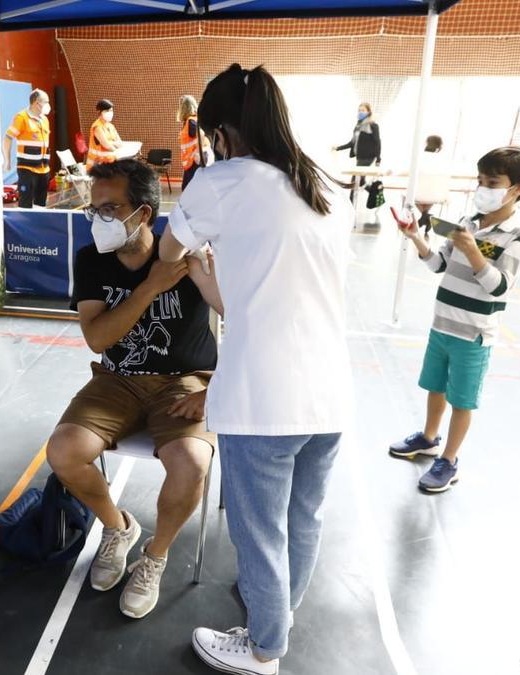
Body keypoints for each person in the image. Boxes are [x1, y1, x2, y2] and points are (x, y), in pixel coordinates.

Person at [159, 64, 352, 675]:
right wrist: (211, 269)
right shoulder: (321, 182)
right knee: (303, 518)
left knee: (259, 531)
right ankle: (279, 615)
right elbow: (255, 298)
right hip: (329, 392)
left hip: (264, 398)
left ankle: (265, 649)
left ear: (219, 130)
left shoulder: (221, 180)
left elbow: (167, 250)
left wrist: (193, 251)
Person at [46, 158, 221, 620]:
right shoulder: (92, 259)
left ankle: (155, 557)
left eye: (110, 209)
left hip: (187, 381)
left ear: (143, 214)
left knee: (191, 464)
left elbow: (242, 319)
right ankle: (118, 527)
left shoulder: (186, 256)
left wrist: (215, 388)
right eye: (94, 208)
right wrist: (149, 289)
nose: (97, 219)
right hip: (118, 379)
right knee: (64, 451)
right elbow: (98, 338)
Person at [388, 146, 520, 493]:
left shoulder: (519, 235)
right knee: (435, 387)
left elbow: (499, 286)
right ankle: (428, 439)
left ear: (519, 187)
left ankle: (450, 460)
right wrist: (415, 237)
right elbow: (438, 264)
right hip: (442, 324)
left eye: (493, 182)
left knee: (461, 399)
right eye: (480, 180)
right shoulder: (467, 222)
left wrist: (473, 250)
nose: (483, 188)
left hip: (474, 335)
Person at [3, 89, 51, 209]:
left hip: (44, 169)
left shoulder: (44, 120)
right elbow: (7, 138)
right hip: (27, 169)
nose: (48, 105)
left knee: (40, 205)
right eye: (46, 102)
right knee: (26, 204)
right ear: (36, 103)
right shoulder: (22, 117)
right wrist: (7, 160)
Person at [335, 102, 382, 216]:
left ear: (368, 112)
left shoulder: (373, 125)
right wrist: (338, 148)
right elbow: (352, 143)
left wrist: (378, 158)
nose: (361, 112)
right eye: (359, 110)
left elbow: (377, 142)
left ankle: (350, 207)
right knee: (361, 182)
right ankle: (377, 195)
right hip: (359, 157)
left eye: (363, 110)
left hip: (368, 157)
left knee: (354, 181)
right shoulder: (358, 126)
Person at [177, 94, 212, 190]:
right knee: (190, 187)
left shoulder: (191, 121)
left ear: (184, 107)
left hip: (194, 161)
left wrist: (197, 152)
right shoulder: (193, 120)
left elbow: (201, 134)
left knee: (187, 188)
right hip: (193, 161)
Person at [86, 99, 122, 170]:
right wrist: (113, 145)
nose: (110, 113)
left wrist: (111, 143)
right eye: (107, 111)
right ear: (99, 112)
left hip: (109, 165)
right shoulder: (97, 127)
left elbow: (120, 143)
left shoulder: (111, 126)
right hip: (97, 167)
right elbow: (108, 146)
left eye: (111, 110)